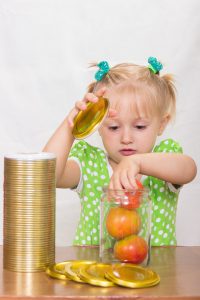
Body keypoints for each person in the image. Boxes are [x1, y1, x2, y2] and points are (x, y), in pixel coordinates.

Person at [43, 57, 197, 247]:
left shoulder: (164, 160)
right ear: (98, 126)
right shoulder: (90, 164)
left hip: (156, 274)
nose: (126, 138)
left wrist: (138, 162)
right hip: (94, 273)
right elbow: (45, 177)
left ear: (162, 124)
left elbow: (188, 169)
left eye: (140, 126)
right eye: (114, 127)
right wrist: (71, 126)